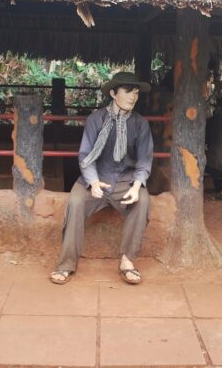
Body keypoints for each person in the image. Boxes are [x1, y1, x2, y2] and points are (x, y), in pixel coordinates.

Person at [50, 72, 153, 285]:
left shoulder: (140, 124)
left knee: (142, 200)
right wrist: (93, 181)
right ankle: (66, 264)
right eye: (128, 91)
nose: (133, 97)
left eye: (136, 92)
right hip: (96, 179)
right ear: (114, 93)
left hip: (124, 180)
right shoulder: (96, 119)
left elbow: (144, 159)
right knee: (75, 202)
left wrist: (136, 185)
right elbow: (85, 154)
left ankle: (127, 260)